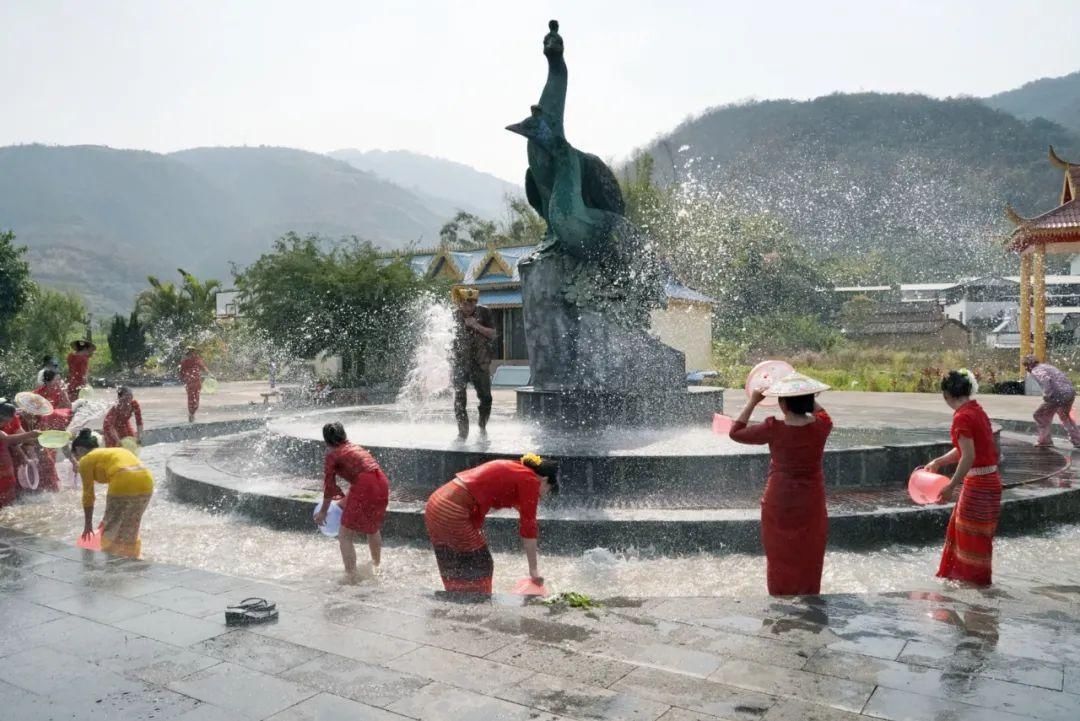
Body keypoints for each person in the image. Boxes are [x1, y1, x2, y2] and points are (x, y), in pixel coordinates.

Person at [729, 372, 833, 596]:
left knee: (779, 554)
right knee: (809, 551)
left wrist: (754, 400)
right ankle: (809, 596)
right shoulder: (822, 426)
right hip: (811, 501)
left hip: (779, 500)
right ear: (808, 401)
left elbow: (735, 432)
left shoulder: (773, 428)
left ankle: (779, 597)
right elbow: (820, 411)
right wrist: (801, 388)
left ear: (782, 404)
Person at [424, 453, 558, 593]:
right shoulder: (531, 480)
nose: (543, 496)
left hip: (435, 503)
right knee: (481, 562)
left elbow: (495, 500)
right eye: (548, 490)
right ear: (544, 480)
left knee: (452, 555)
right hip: (451, 510)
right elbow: (529, 526)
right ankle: (477, 604)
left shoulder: (518, 470)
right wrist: (534, 570)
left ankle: (456, 598)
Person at [925, 370, 1001, 587]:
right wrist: (939, 462)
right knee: (976, 539)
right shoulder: (976, 410)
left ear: (947, 395)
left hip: (978, 485)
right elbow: (966, 450)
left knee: (969, 540)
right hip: (990, 481)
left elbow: (968, 456)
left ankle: (972, 589)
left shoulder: (962, 417)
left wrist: (951, 485)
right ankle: (975, 585)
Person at [314, 422, 390, 581]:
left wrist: (322, 512)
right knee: (372, 528)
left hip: (364, 485)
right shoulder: (355, 447)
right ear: (343, 434)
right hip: (381, 481)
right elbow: (366, 475)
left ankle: (351, 575)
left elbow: (329, 487)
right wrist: (343, 503)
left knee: (345, 535)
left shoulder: (332, 454)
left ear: (326, 440)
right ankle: (376, 566)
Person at [71, 428, 154, 558]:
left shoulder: (85, 460)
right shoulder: (113, 451)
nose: (77, 460)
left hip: (123, 479)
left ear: (79, 450)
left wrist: (88, 525)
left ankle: (111, 558)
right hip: (147, 481)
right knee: (131, 524)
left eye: (76, 456)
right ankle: (133, 555)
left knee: (110, 526)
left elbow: (88, 495)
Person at [450, 287, 495, 440]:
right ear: (459, 303)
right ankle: (462, 433)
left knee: (486, 398)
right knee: (459, 399)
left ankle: (482, 426)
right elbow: (446, 338)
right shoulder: (453, 316)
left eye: (472, 304)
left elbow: (493, 334)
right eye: (465, 304)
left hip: (480, 362)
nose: (468, 307)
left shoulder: (484, 312)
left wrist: (476, 325)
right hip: (460, 363)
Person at [1022, 355, 1080, 447]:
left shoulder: (1035, 370)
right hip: (1069, 392)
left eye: (1025, 366)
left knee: (1039, 415)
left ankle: (1045, 440)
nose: (1026, 369)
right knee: (1065, 416)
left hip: (1056, 394)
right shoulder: (1047, 366)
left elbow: (1045, 379)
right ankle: (1077, 440)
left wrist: (1047, 394)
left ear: (1028, 365)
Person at [0, 402, 40, 507]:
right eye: (6, 421)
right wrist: (30, 434)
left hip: (5, 463)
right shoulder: (2, 432)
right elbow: (8, 439)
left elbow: (14, 444)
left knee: (9, 487)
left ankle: (7, 516)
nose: (7, 424)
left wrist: (25, 457)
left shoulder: (8, 425)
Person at [179, 346, 209, 423]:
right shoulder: (186, 361)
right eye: (190, 352)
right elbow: (181, 373)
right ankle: (191, 415)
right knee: (192, 399)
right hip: (190, 383)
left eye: (191, 352)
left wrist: (208, 373)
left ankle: (192, 414)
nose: (191, 354)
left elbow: (204, 368)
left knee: (195, 399)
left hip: (195, 383)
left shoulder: (195, 359)